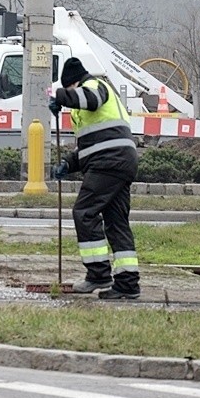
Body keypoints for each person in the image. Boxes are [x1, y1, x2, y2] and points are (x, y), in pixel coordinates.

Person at [48, 57, 141, 299]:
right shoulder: (94, 106)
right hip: (119, 160)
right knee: (116, 222)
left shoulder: (95, 86)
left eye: (70, 91)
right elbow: (93, 144)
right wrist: (68, 164)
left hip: (109, 162)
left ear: (73, 84)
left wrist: (60, 96)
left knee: (84, 212)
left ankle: (98, 274)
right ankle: (127, 284)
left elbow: (88, 100)